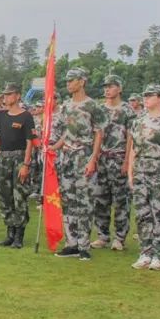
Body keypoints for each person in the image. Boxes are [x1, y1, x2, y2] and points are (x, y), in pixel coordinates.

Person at [52, 68, 108, 261]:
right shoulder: (66, 106)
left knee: (84, 202)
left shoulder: (93, 106)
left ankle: (84, 245)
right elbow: (65, 133)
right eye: (67, 81)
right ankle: (71, 243)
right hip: (67, 157)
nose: (68, 84)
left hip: (84, 155)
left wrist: (93, 158)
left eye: (72, 80)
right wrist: (53, 147)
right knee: (68, 201)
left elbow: (99, 133)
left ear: (82, 81)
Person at [127, 85, 160, 270]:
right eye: (145, 95)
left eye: (150, 95)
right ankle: (145, 252)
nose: (146, 98)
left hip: (159, 170)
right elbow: (134, 148)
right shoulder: (138, 121)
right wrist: (130, 171)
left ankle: (158, 254)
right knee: (142, 215)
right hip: (140, 170)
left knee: (159, 214)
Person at [0, 83, 36, 247]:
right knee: (5, 196)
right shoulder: (1, 114)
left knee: (19, 196)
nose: (6, 97)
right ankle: (10, 233)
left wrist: (26, 164)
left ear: (18, 96)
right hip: (4, 158)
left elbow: (30, 142)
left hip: (19, 158)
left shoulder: (26, 116)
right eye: (4, 94)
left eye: (9, 94)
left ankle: (19, 236)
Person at [92, 75, 133, 251]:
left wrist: (127, 161)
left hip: (119, 157)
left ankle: (120, 237)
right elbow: (95, 134)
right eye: (105, 86)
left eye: (111, 86)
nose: (107, 89)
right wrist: (94, 157)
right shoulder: (100, 109)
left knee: (121, 200)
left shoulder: (127, 110)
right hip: (102, 158)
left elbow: (131, 137)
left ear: (119, 88)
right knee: (100, 199)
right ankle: (102, 235)